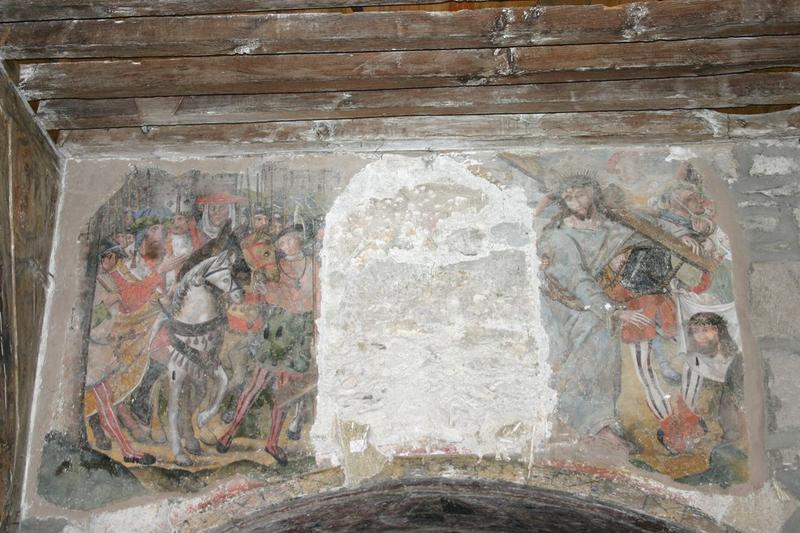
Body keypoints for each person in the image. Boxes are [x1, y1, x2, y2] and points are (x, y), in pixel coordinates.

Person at [539, 174, 654, 450]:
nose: (576, 202)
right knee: (594, 342)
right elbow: (578, 280)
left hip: (595, 304)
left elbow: (649, 238)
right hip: (565, 307)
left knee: (603, 344)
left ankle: (598, 423)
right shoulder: (559, 237)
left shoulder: (612, 229)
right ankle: (592, 424)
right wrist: (612, 311)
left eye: (580, 194)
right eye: (568, 198)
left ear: (593, 192)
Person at [216, 225, 317, 465]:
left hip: (300, 330)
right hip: (278, 328)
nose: (285, 246)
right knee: (256, 383)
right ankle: (230, 431)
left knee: (284, 390)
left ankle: (272, 442)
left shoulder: (315, 265)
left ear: (298, 240)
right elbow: (267, 293)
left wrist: (317, 331)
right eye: (281, 244)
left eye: (289, 241)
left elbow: (318, 298)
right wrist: (264, 289)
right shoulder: (276, 268)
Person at [84, 237, 156, 464]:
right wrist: (106, 305)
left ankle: (126, 449)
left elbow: (114, 318)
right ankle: (127, 449)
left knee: (106, 403)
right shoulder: (89, 283)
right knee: (105, 404)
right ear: (105, 257)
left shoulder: (106, 280)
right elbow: (84, 321)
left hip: (101, 350)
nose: (114, 263)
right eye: (113, 258)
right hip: (91, 354)